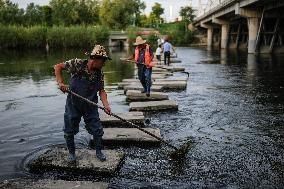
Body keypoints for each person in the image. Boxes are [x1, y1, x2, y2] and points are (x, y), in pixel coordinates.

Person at [54, 45, 111, 163]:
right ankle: (71, 153)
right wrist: (61, 83)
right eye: (103, 61)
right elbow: (58, 67)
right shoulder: (77, 64)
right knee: (69, 130)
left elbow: (101, 91)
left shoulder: (100, 74)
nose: (104, 64)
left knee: (97, 130)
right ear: (95, 59)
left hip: (90, 106)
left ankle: (99, 151)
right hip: (73, 104)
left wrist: (106, 105)